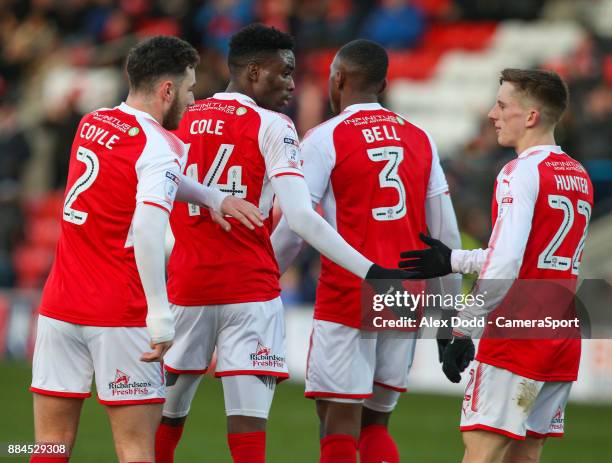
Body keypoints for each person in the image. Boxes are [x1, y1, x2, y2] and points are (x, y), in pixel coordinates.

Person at [154, 26, 413, 463]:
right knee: (249, 432)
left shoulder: (182, 117)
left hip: (187, 284)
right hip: (251, 290)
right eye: (285, 73)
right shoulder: (274, 126)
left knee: (166, 418)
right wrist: (370, 270)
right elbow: (300, 217)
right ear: (254, 71)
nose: (293, 84)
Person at [29, 35, 262, 463]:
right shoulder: (162, 147)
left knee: (48, 446)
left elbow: (138, 179)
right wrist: (160, 316)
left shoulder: (93, 122)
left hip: (59, 308)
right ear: (167, 90)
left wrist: (212, 198)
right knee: (136, 449)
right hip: (120, 314)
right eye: (190, 90)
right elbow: (150, 223)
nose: (193, 101)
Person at [271, 39, 462, 463]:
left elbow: (297, 224)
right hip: (407, 296)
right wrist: (449, 317)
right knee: (376, 423)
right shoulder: (420, 138)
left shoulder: (324, 138)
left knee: (337, 421)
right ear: (385, 83)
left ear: (337, 79)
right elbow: (446, 234)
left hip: (350, 292)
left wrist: (266, 275)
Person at [399, 69, 594, 463]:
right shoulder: (578, 175)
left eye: (503, 105)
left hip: (516, 330)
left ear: (532, 116)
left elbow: (507, 260)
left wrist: (464, 326)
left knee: (482, 450)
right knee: (525, 452)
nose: (492, 114)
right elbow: (529, 257)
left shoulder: (519, 172)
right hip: (561, 329)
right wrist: (452, 259)